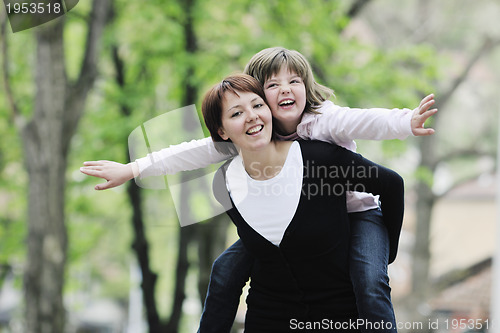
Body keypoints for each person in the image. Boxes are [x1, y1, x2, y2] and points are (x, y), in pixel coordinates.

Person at [80, 47, 437, 332]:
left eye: (294, 81)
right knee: (223, 271)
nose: (285, 90)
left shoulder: (323, 123)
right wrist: (134, 167)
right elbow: (191, 151)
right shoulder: (246, 139)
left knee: (370, 282)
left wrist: (406, 120)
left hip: (357, 214)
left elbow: (368, 122)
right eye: (272, 85)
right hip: (292, 225)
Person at [202, 73, 404, 332]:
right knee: (223, 269)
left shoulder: (320, 159)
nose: (251, 116)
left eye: (257, 105)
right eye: (236, 114)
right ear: (222, 131)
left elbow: (391, 184)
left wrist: (388, 250)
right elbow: (259, 246)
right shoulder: (223, 184)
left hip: (339, 316)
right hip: (267, 318)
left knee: (370, 281)